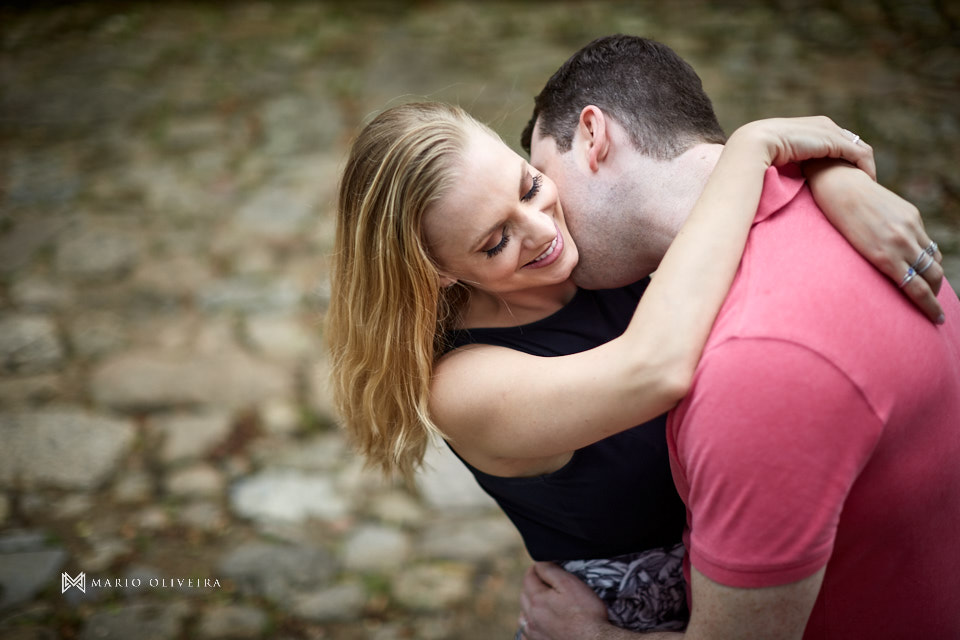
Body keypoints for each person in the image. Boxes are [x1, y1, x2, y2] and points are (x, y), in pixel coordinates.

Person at [327, 97, 941, 632]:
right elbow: (656, 368)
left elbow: (686, 195)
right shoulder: (461, 385)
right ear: (436, 272)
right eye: (494, 242)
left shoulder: (580, 249)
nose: (542, 230)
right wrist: (753, 145)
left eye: (530, 185)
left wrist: (834, 179)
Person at [516, 35, 960, 639]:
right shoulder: (851, 219)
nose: (545, 226)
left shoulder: (755, 366)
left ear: (593, 136)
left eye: (541, 178)